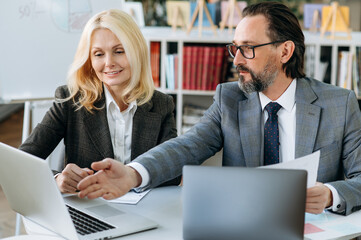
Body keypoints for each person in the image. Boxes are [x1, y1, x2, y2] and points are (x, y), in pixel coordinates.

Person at [77, 2, 361, 216]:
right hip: (244, 225)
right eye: (234, 48)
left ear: (285, 52)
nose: (236, 60)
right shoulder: (229, 99)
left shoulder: (340, 104)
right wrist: (132, 173)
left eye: (248, 48)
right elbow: (187, 146)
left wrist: (330, 194)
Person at [20, 9, 181, 193]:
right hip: (88, 209)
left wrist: (134, 177)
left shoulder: (161, 104)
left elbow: (173, 173)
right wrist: (56, 180)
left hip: (142, 211)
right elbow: (23, 161)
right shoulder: (70, 100)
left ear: (136, 51)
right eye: (98, 54)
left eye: (119, 51)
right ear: (89, 59)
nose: (109, 62)